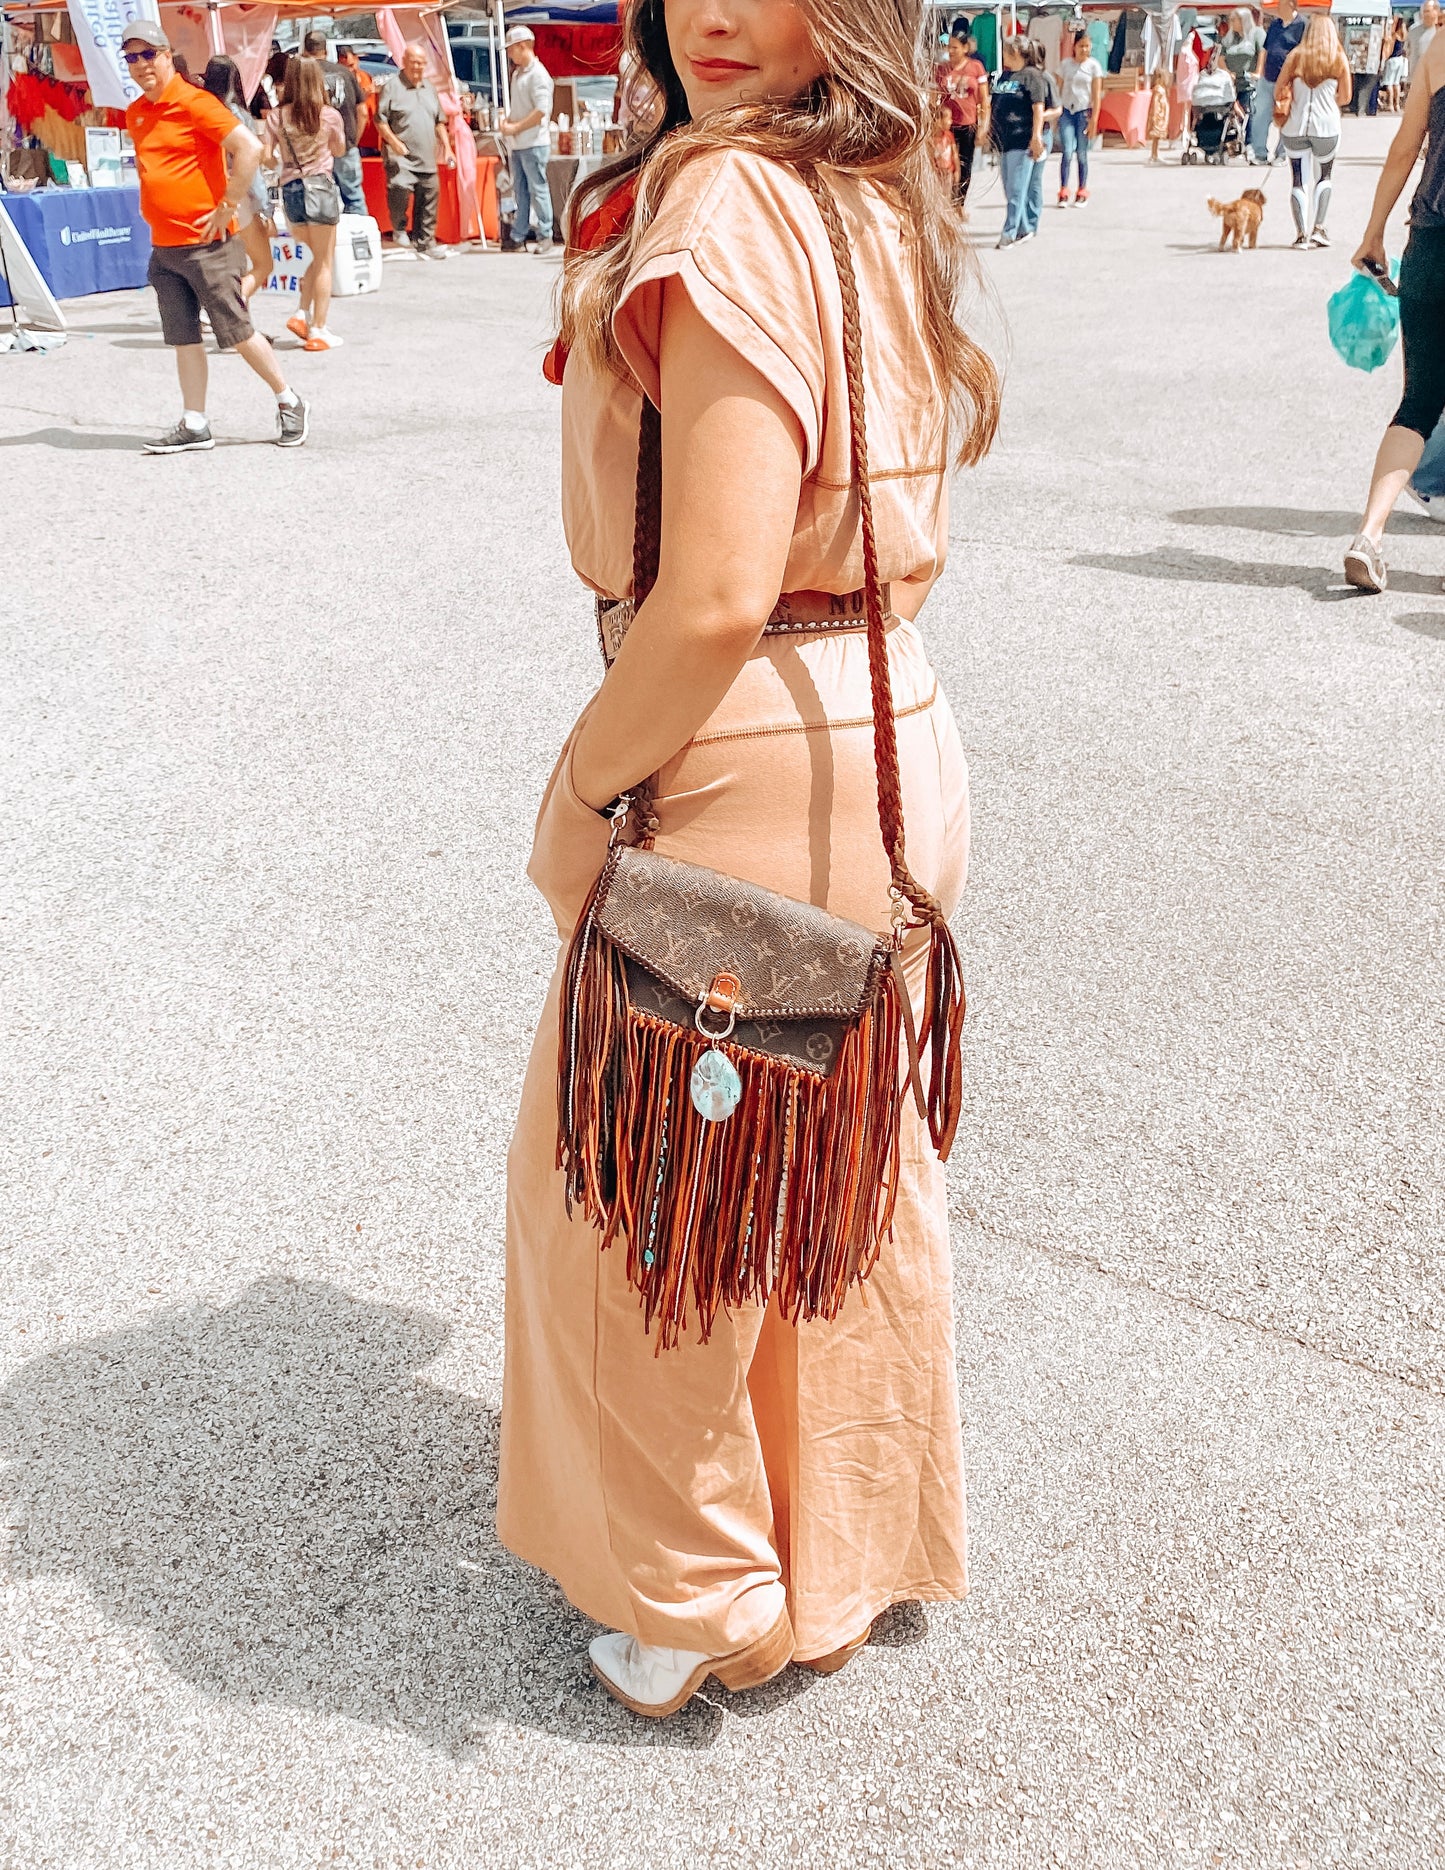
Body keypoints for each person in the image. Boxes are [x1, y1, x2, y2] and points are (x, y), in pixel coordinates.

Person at [499, 0, 999, 1718]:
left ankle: (694, 1593)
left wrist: (578, 791)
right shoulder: (874, 177)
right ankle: (842, 1551)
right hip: (888, 717)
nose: (713, 11)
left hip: (750, 743)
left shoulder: (719, 200)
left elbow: (709, 590)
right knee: (836, 1162)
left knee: (649, 1191)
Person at [122, 20, 306, 453]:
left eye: (149, 54)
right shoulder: (137, 112)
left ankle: (290, 399)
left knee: (237, 331)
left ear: (167, 55)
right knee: (184, 337)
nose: (142, 64)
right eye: (132, 57)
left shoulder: (194, 103)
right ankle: (195, 422)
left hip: (208, 245)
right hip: (165, 245)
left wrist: (227, 205)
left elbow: (251, 148)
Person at [1344, 25, 1445, 589]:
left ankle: (1370, 535)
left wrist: (1374, 231)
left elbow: (1406, 147)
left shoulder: (1438, 50)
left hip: (1431, 241)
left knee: (1420, 399)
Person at [264, 53, 345, 350]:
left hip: (292, 192)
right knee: (325, 261)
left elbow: (267, 155)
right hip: (320, 188)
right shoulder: (329, 115)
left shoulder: (276, 116)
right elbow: (339, 149)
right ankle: (318, 329)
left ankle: (302, 313)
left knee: (316, 257)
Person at [200, 56, 275, 308]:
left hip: (207, 193)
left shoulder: (201, 110)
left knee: (230, 263)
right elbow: (250, 167)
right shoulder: (235, 114)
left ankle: (236, 318)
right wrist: (265, 208)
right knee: (263, 263)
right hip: (237, 196)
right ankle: (232, 310)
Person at [1274, 14, 1351, 249]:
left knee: (1298, 178)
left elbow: (1278, 92)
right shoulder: (1337, 58)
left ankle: (1300, 235)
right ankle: (1319, 228)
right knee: (1324, 176)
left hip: (1294, 127)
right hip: (1327, 128)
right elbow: (1346, 97)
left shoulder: (1295, 57)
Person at [375, 42, 454, 257]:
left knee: (429, 193)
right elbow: (380, 121)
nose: (418, 67)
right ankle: (399, 228)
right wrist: (394, 143)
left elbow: (439, 121)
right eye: (414, 63)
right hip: (401, 155)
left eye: (422, 63)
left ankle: (425, 241)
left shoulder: (429, 88)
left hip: (426, 154)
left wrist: (447, 148)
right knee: (399, 187)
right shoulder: (392, 87)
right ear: (404, 63)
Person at [498, 25, 556, 250]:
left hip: (534, 142)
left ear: (522, 46)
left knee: (537, 189)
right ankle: (518, 234)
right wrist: (508, 122)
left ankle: (545, 234)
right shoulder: (519, 74)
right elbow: (522, 108)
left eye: (512, 49)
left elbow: (541, 111)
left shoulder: (538, 75)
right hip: (520, 142)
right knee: (520, 190)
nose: (510, 54)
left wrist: (515, 127)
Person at [991, 33, 1047, 246]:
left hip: (1022, 139)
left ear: (1014, 52)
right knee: (1009, 189)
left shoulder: (1031, 76)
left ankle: (1009, 233)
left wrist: (1036, 136)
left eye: (1005, 50)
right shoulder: (1004, 77)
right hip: (1004, 140)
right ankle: (1024, 228)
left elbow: (1038, 108)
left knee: (1017, 188)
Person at [300, 29, 364, 216]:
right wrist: (353, 140)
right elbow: (363, 111)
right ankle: (358, 239)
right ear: (326, 49)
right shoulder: (346, 73)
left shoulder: (302, 76)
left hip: (314, 148)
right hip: (346, 145)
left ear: (305, 50)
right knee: (353, 196)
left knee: (318, 201)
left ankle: (327, 242)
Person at [935, 32, 988, 210]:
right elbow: (933, 96)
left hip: (968, 124)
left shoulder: (976, 67)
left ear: (965, 48)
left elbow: (984, 100)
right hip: (946, 126)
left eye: (955, 47)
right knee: (945, 165)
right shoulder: (941, 69)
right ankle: (945, 202)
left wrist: (983, 127)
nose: (951, 51)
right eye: (949, 47)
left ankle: (959, 203)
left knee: (965, 166)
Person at [1056, 24, 1102, 205]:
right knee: (1067, 152)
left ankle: (1082, 189)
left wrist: (1094, 121)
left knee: (1082, 153)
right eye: (1081, 45)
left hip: (1084, 113)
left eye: (1087, 46)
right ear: (1074, 46)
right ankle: (1063, 189)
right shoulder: (1065, 65)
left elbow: (1096, 96)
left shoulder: (1093, 67)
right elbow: (1058, 89)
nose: (1084, 49)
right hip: (1067, 111)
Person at [1252, 0, 1304, 162]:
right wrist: (1259, 71)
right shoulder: (1275, 25)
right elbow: (1265, 49)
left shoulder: (1303, 25)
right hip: (1268, 78)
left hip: (1289, 82)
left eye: (1280, 4)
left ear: (1290, 4)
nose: (1277, 8)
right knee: (1260, 114)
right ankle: (1259, 153)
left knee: (1286, 115)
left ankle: (1281, 154)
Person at [1022, 41, 1061, 238]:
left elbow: (1057, 109)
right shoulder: (1020, 76)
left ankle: (1032, 221)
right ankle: (1022, 221)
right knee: (1021, 181)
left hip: (1042, 134)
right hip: (1021, 133)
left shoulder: (1045, 78)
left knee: (1034, 180)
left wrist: (1039, 116)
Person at [1221, 6, 1266, 158]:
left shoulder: (1256, 34)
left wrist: (1258, 72)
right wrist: (1227, 72)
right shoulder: (1229, 38)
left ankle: (1249, 143)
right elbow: (1221, 58)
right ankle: (1228, 144)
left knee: (1249, 111)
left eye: (1234, 19)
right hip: (1230, 83)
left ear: (1244, 20)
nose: (1231, 22)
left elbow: (1262, 53)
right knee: (1227, 113)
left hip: (1248, 81)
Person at [337, 44, 376, 148]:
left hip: (372, 135)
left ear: (356, 60)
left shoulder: (365, 76)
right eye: (344, 67)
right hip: (355, 136)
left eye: (351, 65)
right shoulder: (339, 82)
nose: (349, 70)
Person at [931, 93, 961, 190]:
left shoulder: (949, 136)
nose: (951, 121)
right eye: (948, 118)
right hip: (936, 174)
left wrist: (957, 170)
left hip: (948, 172)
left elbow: (954, 154)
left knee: (947, 196)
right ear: (938, 120)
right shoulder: (930, 139)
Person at [1408, 0, 1439, 85]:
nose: (1425, 14)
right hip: (1416, 79)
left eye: (1428, 11)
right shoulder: (1413, 31)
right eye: (1423, 11)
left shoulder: (1441, 31)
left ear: (1436, 11)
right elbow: (1409, 52)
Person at [1380, 18, 1408, 111]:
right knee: (1396, 83)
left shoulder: (1394, 35)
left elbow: (1389, 47)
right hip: (1400, 60)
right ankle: (1397, 105)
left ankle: (1390, 104)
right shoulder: (1404, 35)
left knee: (1389, 83)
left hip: (1392, 60)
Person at [1147, 62, 1171, 161]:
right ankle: (1154, 154)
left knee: (1157, 137)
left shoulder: (1161, 90)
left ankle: (1155, 153)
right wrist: (1155, 115)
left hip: (1161, 116)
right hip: (1158, 116)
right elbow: (1156, 103)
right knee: (1156, 136)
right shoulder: (1158, 90)